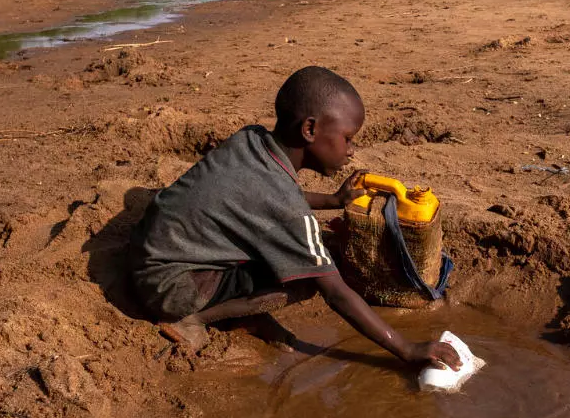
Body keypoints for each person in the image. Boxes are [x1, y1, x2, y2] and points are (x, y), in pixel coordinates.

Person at [130, 66, 460, 370]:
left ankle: (242, 313)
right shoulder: (284, 204)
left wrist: (332, 200)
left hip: (153, 255)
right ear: (310, 129)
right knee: (308, 276)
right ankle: (196, 318)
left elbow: (260, 200)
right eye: (347, 138)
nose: (352, 150)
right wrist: (407, 348)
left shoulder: (252, 139)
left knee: (290, 252)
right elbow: (335, 292)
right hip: (170, 288)